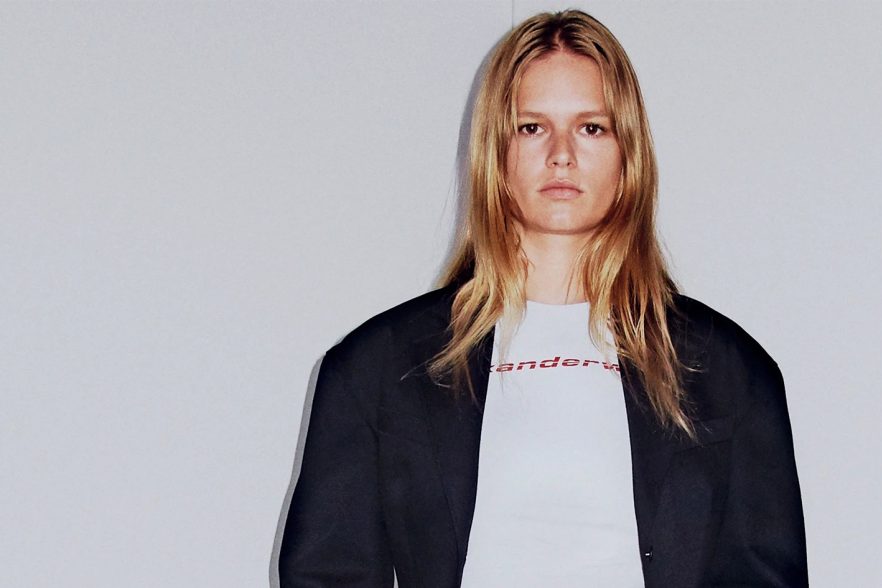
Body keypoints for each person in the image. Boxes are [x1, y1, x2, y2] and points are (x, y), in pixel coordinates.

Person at [279, 9, 807, 588]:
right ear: (494, 151)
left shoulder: (729, 373)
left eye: (591, 128)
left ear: (629, 152)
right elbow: (328, 574)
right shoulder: (377, 370)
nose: (561, 154)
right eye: (531, 127)